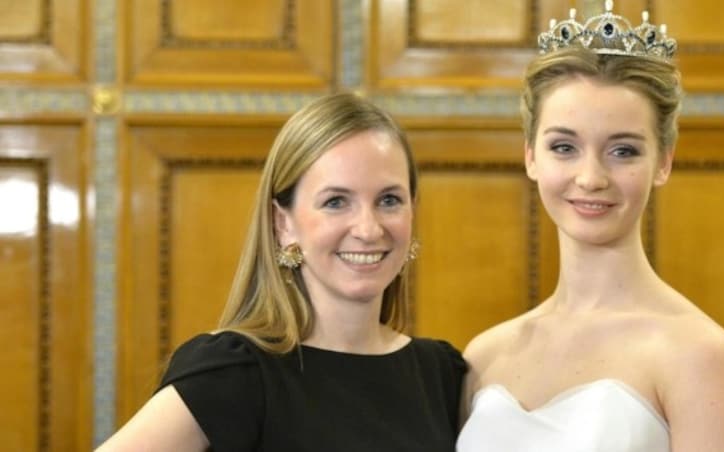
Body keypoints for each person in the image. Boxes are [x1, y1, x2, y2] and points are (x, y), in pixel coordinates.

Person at [456, 3, 724, 452]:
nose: (591, 177)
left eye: (623, 151)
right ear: (530, 156)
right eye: (564, 146)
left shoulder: (699, 354)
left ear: (663, 162)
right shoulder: (484, 356)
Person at [97, 92, 465, 452]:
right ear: (283, 223)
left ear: (412, 211)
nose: (368, 229)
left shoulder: (441, 374)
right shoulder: (235, 370)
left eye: (389, 200)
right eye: (336, 202)